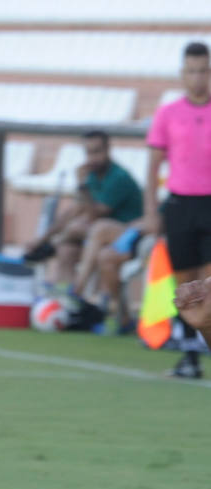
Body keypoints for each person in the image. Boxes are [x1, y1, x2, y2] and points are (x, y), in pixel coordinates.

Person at [147, 41, 211, 379]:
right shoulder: (169, 114)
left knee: (209, 281)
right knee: (185, 285)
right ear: (182, 74)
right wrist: (151, 209)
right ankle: (189, 356)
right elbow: (154, 163)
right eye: (191, 71)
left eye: (203, 70)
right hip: (180, 204)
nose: (197, 77)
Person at [24, 130, 143, 300]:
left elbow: (96, 215)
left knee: (85, 227)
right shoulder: (93, 175)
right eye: (88, 152)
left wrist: (82, 186)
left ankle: (77, 290)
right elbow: (74, 210)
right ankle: (67, 301)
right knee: (67, 249)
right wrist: (40, 239)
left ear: (108, 150)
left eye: (97, 151)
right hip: (100, 239)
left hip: (129, 237)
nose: (92, 158)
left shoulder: (119, 177)